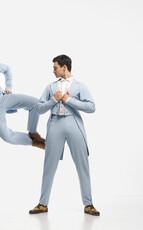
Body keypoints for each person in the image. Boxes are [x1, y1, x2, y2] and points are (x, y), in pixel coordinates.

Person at [29, 55, 100, 216]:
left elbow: (91, 107)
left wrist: (69, 100)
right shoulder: (50, 87)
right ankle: (43, 204)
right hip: (55, 124)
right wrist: (53, 100)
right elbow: (39, 109)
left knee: (82, 164)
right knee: (49, 165)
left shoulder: (80, 86)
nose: (53, 70)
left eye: (55, 67)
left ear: (64, 67)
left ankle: (88, 204)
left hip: (74, 123)